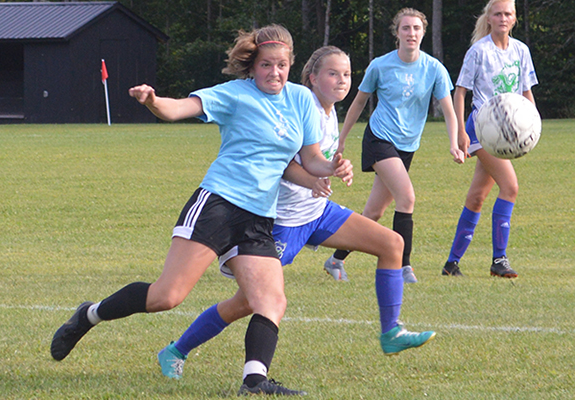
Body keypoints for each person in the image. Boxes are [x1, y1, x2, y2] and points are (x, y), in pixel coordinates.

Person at [49, 24, 353, 397]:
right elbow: (178, 109)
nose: (274, 73)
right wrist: (152, 101)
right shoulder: (234, 95)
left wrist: (333, 166)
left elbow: (311, 160)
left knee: (271, 300)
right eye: (265, 65)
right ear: (252, 66)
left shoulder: (301, 101)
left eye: (282, 66)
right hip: (218, 205)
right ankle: (89, 315)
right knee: (166, 296)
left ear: (291, 66)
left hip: (259, 217)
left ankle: (254, 382)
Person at [155, 46, 436, 383]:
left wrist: (334, 169)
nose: (342, 80)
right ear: (312, 78)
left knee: (391, 244)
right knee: (247, 302)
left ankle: (391, 332)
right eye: (333, 73)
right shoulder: (302, 106)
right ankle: (177, 350)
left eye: (346, 74)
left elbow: (318, 160)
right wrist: (313, 178)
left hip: (317, 213)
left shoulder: (329, 112)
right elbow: (284, 161)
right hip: (285, 221)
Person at [323, 8, 466, 284]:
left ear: (423, 33)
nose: (411, 33)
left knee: (373, 213)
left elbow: (448, 110)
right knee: (407, 198)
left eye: (416, 28)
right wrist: (342, 138)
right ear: (396, 33)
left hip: (407, 146)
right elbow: (359, 102)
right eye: (405, 28)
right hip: (379, 139)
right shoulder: (380, 65)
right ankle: (404, 267)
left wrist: (453, 143)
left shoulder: (434, 68)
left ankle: (336, 259)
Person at [442, 0, 538, 278]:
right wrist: (461, 131)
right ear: (490, 18)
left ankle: (451, 263)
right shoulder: (479, 51)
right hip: (483, 127)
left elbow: (525, 92)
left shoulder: (521, 51)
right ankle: (499, 260)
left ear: (514, 18)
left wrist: (532, 127)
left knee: (476, 197)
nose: (503, 18)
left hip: (506, 130)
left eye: (508, 13)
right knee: (510, 186)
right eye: (498, 13)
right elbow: (460, 93)